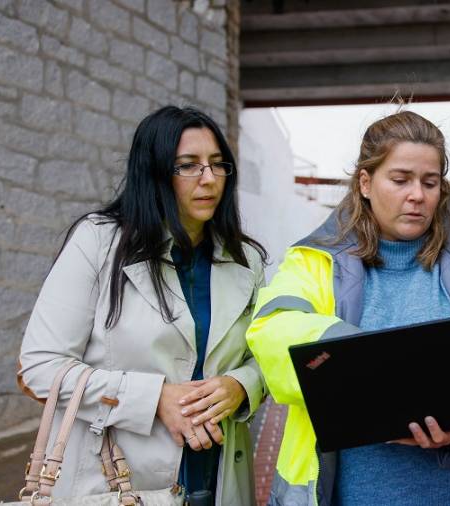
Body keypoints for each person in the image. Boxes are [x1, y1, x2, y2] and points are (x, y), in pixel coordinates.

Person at [246, 110, 450, 506]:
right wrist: (372, 364)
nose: (418, 195)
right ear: (365, 182)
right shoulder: (313, 263)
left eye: (430, 183)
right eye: (400, 180)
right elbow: (272, 332)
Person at [17, 106, 267, 505]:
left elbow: (263, 357)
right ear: (154, 172)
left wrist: (242, 385)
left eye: (218, 165)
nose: (208, 179)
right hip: (117, 478)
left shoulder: (245, 260)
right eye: (188, 166)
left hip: (218, 472)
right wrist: (153, 398)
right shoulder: (98, 243)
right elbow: (40, 367)